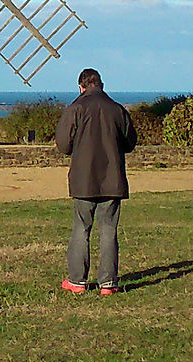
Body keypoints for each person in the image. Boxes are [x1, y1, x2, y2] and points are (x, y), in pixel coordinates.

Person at [54, 69, 137, 295]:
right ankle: (108, 283)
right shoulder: (117, 109)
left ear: (81, 86)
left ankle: (77, 281)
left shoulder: (75, 109)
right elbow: (130, 142)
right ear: (101, 84)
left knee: (81, 227)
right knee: (109, 230)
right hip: (113, 179)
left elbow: (63, 145)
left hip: (83, 179)